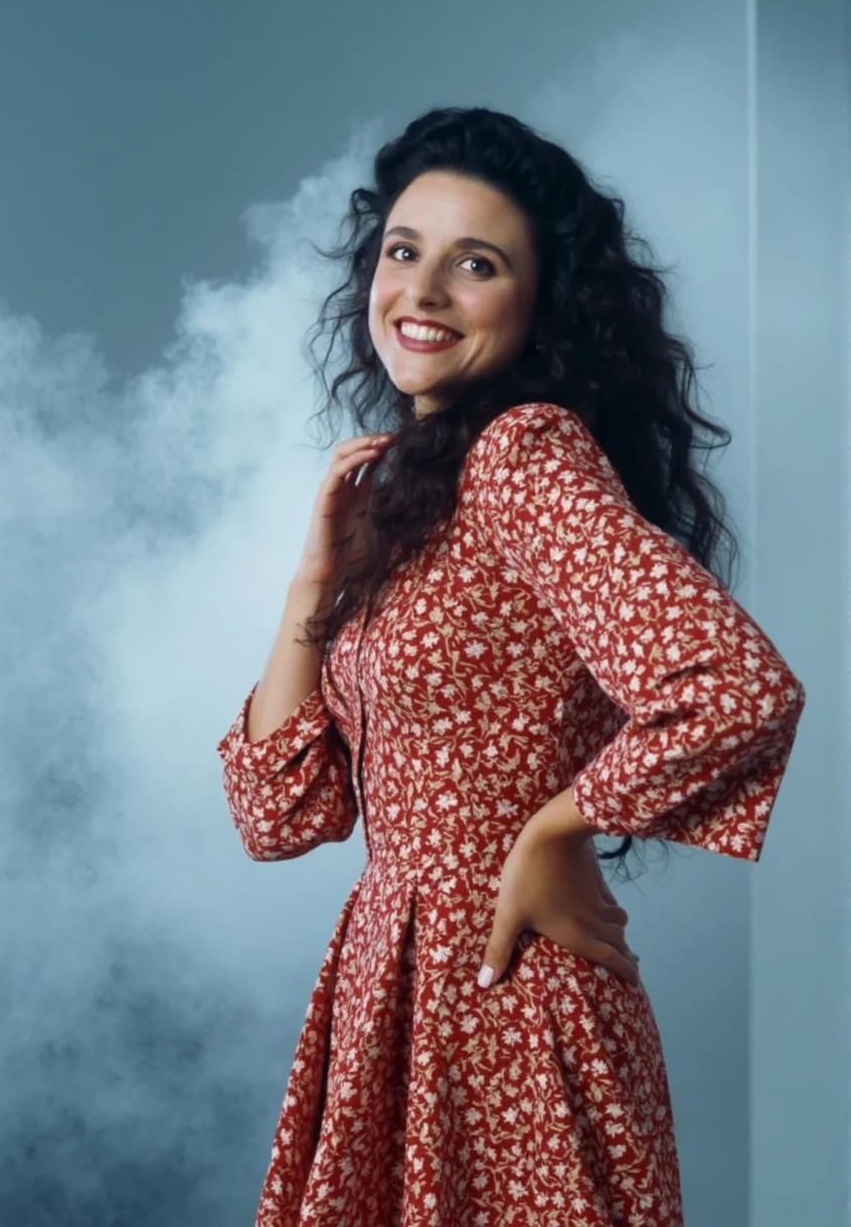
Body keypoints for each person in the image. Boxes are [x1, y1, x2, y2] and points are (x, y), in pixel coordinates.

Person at [214, 106, 807, 1227]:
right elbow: (278, 815)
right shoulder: (416, 501)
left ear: (540, 310)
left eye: (473, 264)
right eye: (404, 252)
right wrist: (310, 592)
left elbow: (736, 688)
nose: (423, 291)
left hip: (504, 1001)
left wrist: (552, 832)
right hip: (388, 997)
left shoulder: (522, 455)